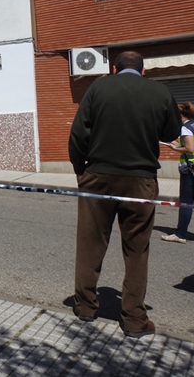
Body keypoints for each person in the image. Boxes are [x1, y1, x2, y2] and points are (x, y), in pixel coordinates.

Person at [68, 50, 180, 338]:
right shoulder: (159, 91)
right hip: (141, 180)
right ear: (143, 71)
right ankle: (133, 320)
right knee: (136, 250)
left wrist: (81, 169)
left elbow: (79, 134)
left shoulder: (99, 87)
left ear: (115, 69)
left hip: (98, 177)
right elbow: (171, 133)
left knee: (90, 243)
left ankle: (85, 306)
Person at [161, 102, 194, 245]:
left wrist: (176, 149)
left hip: (191, 169)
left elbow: (190, 148)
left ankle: (180, 234)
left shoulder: (185, 128)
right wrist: (180, 145)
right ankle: (180, 233)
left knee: (185, 203)